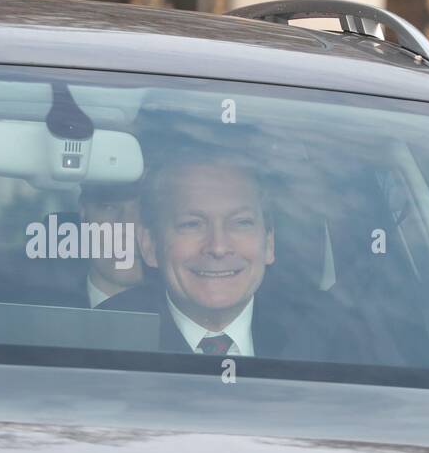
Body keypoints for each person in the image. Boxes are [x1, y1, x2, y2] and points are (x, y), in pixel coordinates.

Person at [100, 148, 292, 357]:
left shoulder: (324, 336)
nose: (218, 247)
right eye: (192, 225)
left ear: (269, 242)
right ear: (150, 245)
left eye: (240, 223)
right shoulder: (103, 337)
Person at [78, 182, 144, 307]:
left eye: (145, 210)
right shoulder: (39, 315)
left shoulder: (189, 320)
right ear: (83, 213)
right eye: (109, 207)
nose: (128, 227)